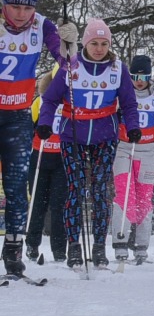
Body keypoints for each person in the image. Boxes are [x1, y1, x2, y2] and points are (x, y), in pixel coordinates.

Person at [36, 19, 144, 269]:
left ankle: (98, 247)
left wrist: (134, 126)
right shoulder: (70, 66)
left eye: (104, 43)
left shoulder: (118, 69)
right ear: (85, 43)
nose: (99, 48)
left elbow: (128, 103)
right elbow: (51, 99)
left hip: (105, 137)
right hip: (72, 134)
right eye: (94, 43)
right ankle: (74, 246)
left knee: (100, 192)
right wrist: (44, 123)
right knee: (74, 189)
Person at [0, 0, 66, 277]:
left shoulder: (43, 25)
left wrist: (70, 45)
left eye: (27, 8)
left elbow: (68, 65)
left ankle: (13, 252)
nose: (21, 14)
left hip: (18, 117)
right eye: (15, 7)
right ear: (5, 3)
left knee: (17, 187)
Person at [109, 54, 154, 265]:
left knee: (144, 199)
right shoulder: (122, 93)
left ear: (150, 76)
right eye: (135, 76)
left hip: (149, 151)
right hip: (124, 149)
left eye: (143, 76)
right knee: (124, 195)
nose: (139, 80)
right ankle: (120, 244)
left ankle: (141, 247)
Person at [26, 74, 67, 263]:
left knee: (59, 205)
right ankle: (32, 245)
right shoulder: (39, 101)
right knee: (37, 203)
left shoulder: (69, 103)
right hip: (40, 156)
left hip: (61, 159)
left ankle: (59, 249)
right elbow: (28, 125)